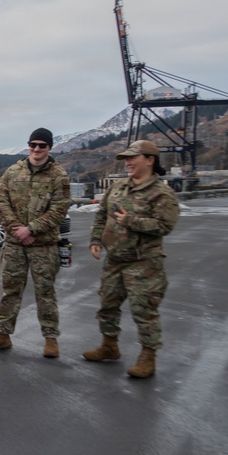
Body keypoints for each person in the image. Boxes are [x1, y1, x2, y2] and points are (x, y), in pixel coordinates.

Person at [83, 140, 179, 378]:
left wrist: (130, 221)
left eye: (132, 158)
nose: (128, 162)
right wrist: (95, 241)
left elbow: (165, 225)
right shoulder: (117, 188)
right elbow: (102, 215)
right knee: (107, 304)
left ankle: (148, 357)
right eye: (126, 158)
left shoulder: (161, 193)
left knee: (143, 310)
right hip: (115, 258)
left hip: (144, 262)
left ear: (150, 160)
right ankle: (109, 345)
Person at [0, 128, 72, 357]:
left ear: (49, 147)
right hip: (14, 244)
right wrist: (17, 230)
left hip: (44, 245)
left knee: (45, 292)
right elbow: (1, 202)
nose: (37, 149)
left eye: (42, 145)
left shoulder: (58, 176)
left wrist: (31, 229)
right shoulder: (12, 172)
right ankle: (3, 334)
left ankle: (50, 338)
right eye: (33, 144)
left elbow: (60, 209)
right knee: (10, 290)